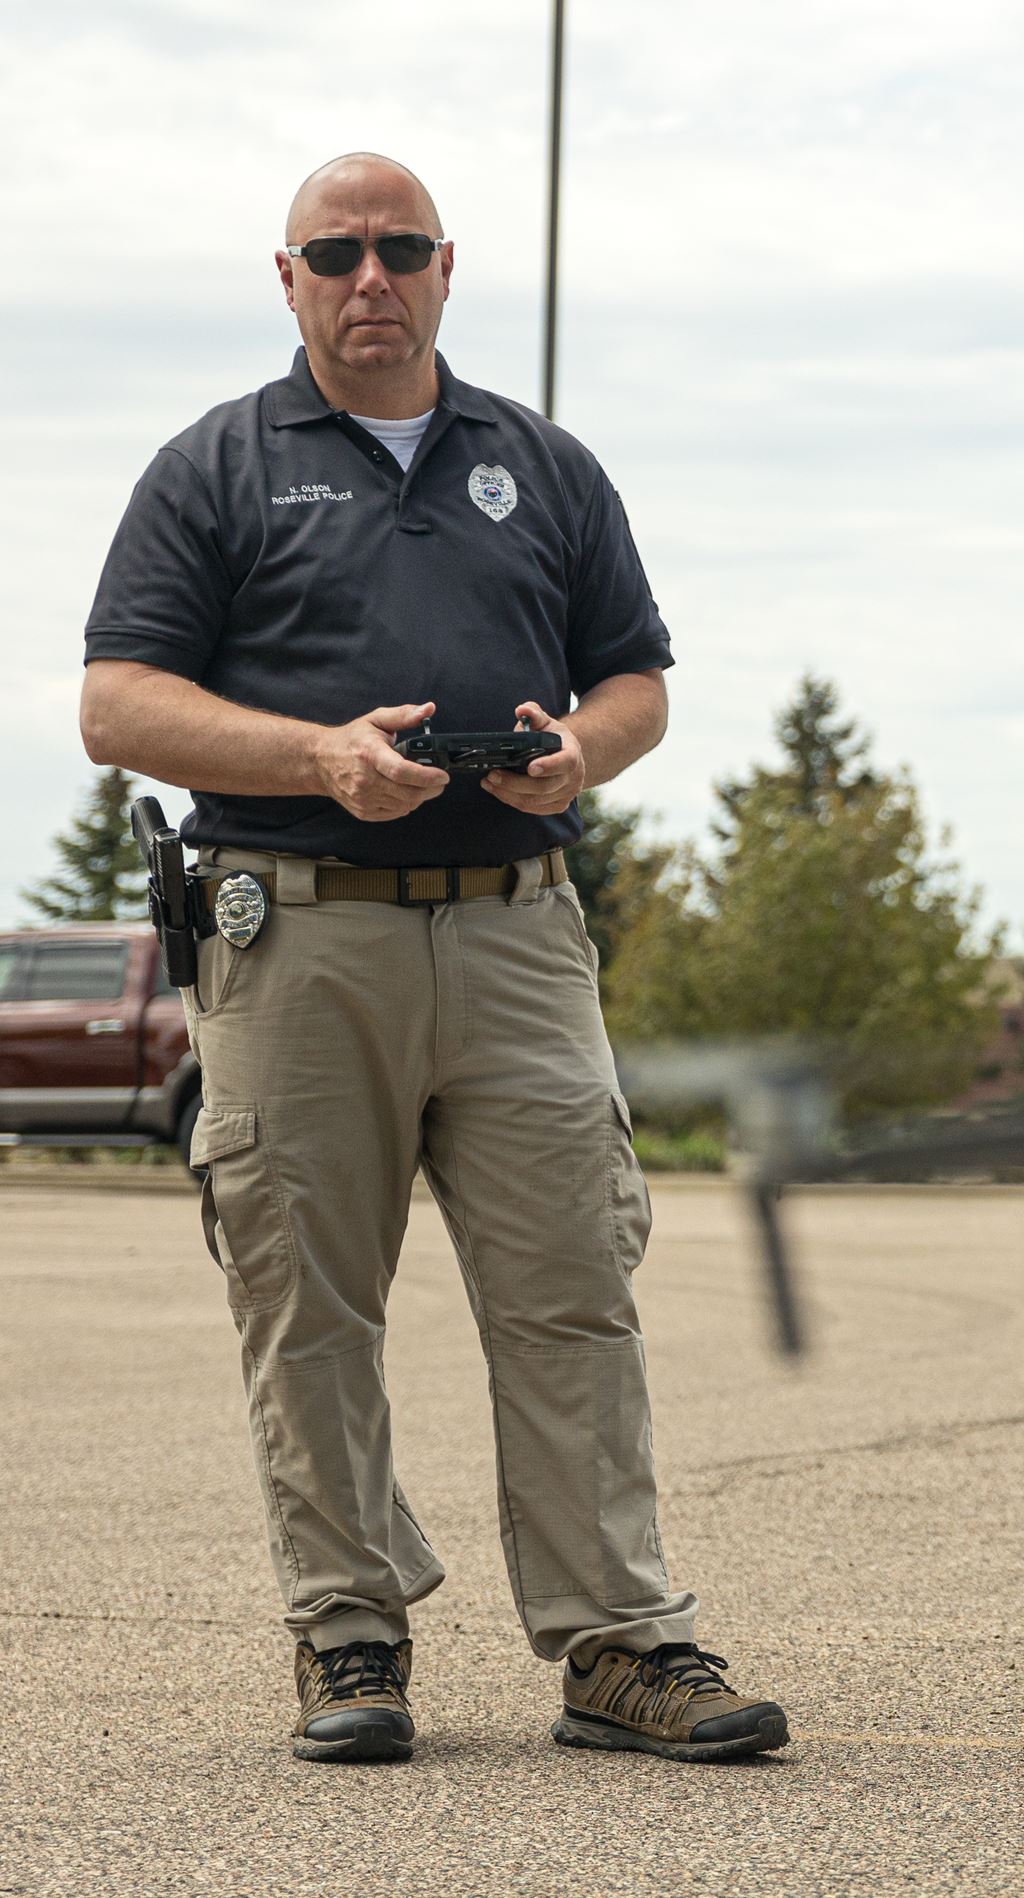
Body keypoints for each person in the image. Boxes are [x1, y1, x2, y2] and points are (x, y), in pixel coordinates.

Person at [77, 153, 786, 1765]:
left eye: (400, 248)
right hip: (295, 928)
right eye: (338, 252)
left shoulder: (541, 467)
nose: (371, 276)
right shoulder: (215, 469)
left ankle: (619, 1644)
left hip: (522, 928)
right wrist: (315, 755)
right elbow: (118, 702)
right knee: (308, 1300)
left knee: (572, 1288)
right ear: (289, 276)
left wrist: (579, 758)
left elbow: (636, 681)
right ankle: (348, 1636)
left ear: (451, 266)